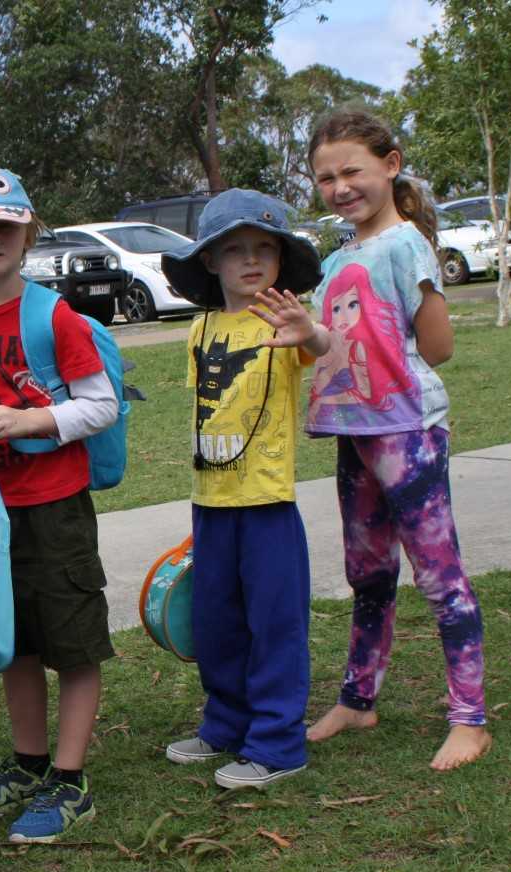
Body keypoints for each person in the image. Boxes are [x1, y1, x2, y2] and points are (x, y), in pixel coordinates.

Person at [0, 168, 119, 843]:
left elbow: (100, 404)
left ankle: (69, 779)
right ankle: (28, 763)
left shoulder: (53, 315)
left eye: (4, 227)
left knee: (72, 641)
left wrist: (34, 421)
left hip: (55, 506)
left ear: (27, 233)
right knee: (14, 646)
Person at [303, 110, 491, 772]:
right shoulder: (335, 259)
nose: (340, 186)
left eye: (352, 170)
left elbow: (437, 346)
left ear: (390, 163)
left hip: (408, 432)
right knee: (368, 573)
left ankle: (470, 719)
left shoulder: (407, 244)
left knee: (441, 576)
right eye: (326, 177)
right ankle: (359, 697)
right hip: (352, 434)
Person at [158, 189, 329, 790]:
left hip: (268, 506)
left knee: (274, 624)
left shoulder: (283, 322)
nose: (251, 261)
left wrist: (309, 331)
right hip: (212, 502)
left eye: (264, 249)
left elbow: (322, 347)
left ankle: (279, 744)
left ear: (282, 261)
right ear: (211, 261)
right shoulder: (201, 327)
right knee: (217, 622)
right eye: (235, 250)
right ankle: (225, 724)